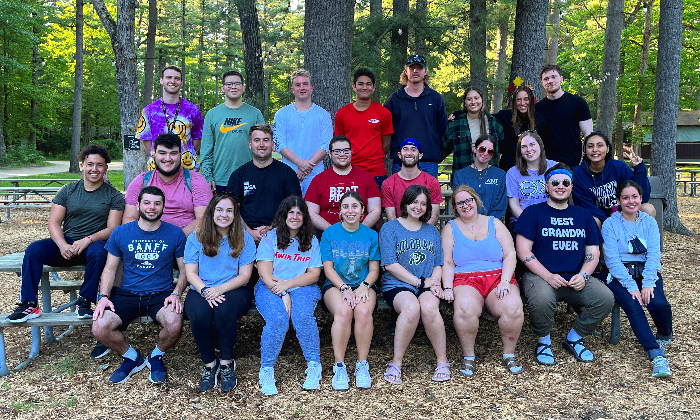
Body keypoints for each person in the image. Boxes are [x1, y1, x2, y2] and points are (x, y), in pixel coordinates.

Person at [6, 145, 125, 322]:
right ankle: (29, 303)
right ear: (82, 165)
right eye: (90, 164)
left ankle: (85, 301)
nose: (94, 169)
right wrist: (62, 245)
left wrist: (87, 240)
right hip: (68, 243)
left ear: (106, 168)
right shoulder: (67, 190)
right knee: (34, 250)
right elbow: (54, 222)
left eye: (99, 165)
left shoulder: (114, 196)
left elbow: (113, 229)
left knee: (100, 252)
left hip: (94, 245)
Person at [515, 163, 614, 365]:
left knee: (605, 298)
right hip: (540, 276)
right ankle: (543, 340)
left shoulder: (584, 216)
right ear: (547, 187)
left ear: (571, 187)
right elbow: (523, 250)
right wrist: (548, 276)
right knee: (542, 299)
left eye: (566, 182)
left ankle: (574, 337)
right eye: (555, 182)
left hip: (574, 277)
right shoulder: (532, 213)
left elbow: (593, 252)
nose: (561, 186)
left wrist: (584, 275)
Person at [92, 186, 188, 384]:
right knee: (100, 327)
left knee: (174, 323)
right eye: (147, 202)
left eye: (157, 203)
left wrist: (177, 293)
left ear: (163, 207)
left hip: (161, 293)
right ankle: (131, 357)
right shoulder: (121, 233)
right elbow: (110, 269)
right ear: (138, 205)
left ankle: (156, 356)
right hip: (127, 293)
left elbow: (185, 269)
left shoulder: (175, 234)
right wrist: (103, 297)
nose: (151, 207)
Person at [441, 186, 523, 377]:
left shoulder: (494, 223)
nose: (465, 205)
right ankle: (469, 356)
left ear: (475, 200)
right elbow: (447, 261)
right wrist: (447, 287)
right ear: (454, 207)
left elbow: (510, 253)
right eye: (460, 203)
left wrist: (505, 281)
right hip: (466, 278)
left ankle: (509, 353)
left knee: (512, 306)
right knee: (465, 309)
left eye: (468, 200)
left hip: (497, 276)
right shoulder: (450, 228)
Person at [184, 193, 256, 392]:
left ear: (235, 214)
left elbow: (245, 276)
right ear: (211, 212)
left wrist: (219, 290)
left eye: (229, 210)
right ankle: (209, 364)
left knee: (223, 310)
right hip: (201, 287)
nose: (224, 214)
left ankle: (226, 362)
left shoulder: (244, 238)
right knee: (199, 314)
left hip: (234, 288)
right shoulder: (196, 237)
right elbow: (190, 273)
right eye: (219, 209)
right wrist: (206, 290)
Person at [379, 185, 450, 384]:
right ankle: (396, 363)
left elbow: (438, 263)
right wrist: (420, 282)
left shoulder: (432, 231)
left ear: (427, 208)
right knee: (411, 308)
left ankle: (442, 362)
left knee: (429, 307)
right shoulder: (390, 227)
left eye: (423, 203)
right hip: (397, 283)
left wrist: (435, 283)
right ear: (405, 203)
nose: (417, 207)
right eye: (414, 201)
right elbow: (390, 264)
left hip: (427, 282)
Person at [602, 180, 672, 378]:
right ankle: (656, 355)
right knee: (634, 306)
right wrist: (632, 286)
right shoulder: (610, 224)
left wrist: (648, 283)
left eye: (634, 197)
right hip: (619, 274)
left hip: (645, 271)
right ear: (618, 201)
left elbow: (653, 254)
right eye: (625, 197)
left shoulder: (649, 222)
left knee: (659, 304)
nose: (630, 201)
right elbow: (612, 260)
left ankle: (665, 333)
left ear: (641, 199)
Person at [255, 197, 323, 396]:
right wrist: (283, 292)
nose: (294, 217)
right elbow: (265, 273)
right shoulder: (270, 238)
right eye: (290, 212)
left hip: (303, 286)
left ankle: (314, 365)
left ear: (304, 217)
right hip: (270, 287)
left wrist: (289, 285)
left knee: (302, 317)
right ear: (283, 215)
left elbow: (314, 274)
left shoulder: (311, 239)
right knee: (278, 320)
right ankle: (266, 369)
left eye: (299, 213)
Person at [321, 191, 380, 391]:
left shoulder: (371, 235)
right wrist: (344, 288)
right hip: (337, 284)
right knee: (344, 311)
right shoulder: (330, 233)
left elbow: (374, 270)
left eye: (355, 206)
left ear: (363, 211)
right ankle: (340, 366)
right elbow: (328, 269)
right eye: (345, 206)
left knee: (363, 311)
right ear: (339, 212)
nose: (350, 210)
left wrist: (364, 286)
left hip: (364, 284)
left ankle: (362, 365)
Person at [124, 133, 213, 236]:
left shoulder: (196, 181)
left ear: (180, 155)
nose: (168, 158)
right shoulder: (141, 181)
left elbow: (204, 219)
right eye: (162, 153)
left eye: (173, 153)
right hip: (148, 242)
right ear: (154, 155)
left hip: (186, 242)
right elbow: (129, 218)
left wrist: (173, 241)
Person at [227, 124, 302, 244]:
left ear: (272, 145)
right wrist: (249, 232)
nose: (261, 144)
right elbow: (231, 208)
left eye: (266, 140)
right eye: (257, 140)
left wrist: (272, 229)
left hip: (281, 234)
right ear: (250, 144)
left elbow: (295, 208)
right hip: (245, 236)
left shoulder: (288, 174)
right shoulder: (238, 175)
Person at [200, 70, 265, 192]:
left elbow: (262, 147)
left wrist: (262, 173)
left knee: (248, 211)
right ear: (223, 88)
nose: (233, 87)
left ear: (243, 87)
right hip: (220, 179)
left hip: (250, 177)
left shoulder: (254, 113)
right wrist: (207, 176)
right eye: (229, 84)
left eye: (237, 83)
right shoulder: (212, 114)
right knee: (223, 211)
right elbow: (206, 148)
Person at [573, 132, 655, 229]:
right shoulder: (578, 174)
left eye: (600, 145)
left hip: (624, 212)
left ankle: (640, 243)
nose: (595, 150)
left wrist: (640, 169)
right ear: (585, 150)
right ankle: (596, 244)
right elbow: (586, 206)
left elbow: (641, 197)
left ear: (607, 149)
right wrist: (609, 221)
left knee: (648, 209)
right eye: (590, 146)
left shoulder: (620, 167)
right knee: (591, 220)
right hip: (598, 217)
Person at [384, 55, 447, 177]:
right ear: (406, 72)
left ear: (425, 72)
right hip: (401, 161)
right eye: (412, 68)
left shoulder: (436, 98)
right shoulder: (394, 99)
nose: (415, 71)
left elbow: (442, 129)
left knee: (427, 196)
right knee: (401, 196)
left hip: (428, 161)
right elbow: (387, 131)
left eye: (419, 68)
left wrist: (434, 152)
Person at [305, 135, 382, 234]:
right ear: (330, 154)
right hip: (328, 232)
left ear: (351, 152)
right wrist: (333, 231)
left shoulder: (367, 178)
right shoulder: (318, 180)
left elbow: (375, 210)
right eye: (337, 151)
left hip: (361, 231)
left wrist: (358, 230)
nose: (342, 154)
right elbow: (311, 213)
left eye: (346, 151)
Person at [273, 69, 332, 194]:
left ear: (311, 87)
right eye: (298, 85)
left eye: (305, 84)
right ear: (292, 89)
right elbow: (279, 144)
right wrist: (300, 164)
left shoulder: (323, 115)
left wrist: (306, 167)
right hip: (288, 172)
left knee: (312, 211)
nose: (302, 88)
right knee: (290, 211)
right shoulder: (282, 114)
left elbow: (326, 144)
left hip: (315, 174)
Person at [137, 65, 204, 172]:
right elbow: (147, 144)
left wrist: (182, 152)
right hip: (158, 169)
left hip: (187, 169)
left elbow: (197, 141)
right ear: (161, 80)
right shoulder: (149, 110)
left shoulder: (193, 110)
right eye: (168, 77)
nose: (173, 81)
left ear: (181, 82)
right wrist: (163, 157)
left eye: (177, 78)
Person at [334, 68, 394, 188]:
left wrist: (373, 156)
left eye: (368, 84)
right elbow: (339, 144)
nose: (364, 87)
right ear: (354, 87)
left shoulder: (383, 113)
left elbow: (386, 143)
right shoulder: (342, 113)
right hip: (349, 170)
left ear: (374, 87)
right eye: (360, 84)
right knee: (350, 206)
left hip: (376, 171)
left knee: (376, 207)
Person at [535, 64, 593, 167]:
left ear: (561, 79)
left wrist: (583, 160)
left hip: (574, 163)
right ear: (542, 83)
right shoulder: (537, 109)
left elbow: (588, 134)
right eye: (546, 79)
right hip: (547, 165)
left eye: (554, 77)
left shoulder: (578, 103)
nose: (550, 81)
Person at [441, 86, 504, 175]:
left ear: (482, 100)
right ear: (465, 103)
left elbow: (504, 149)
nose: (473, 102)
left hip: (489, 176)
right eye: (469, 99)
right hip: (463, 176)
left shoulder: (494, 123)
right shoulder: (456, 124)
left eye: (476, 98)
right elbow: (442, 149)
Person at [382, 138, 442, 226]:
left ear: (420, 155)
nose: (409, 153)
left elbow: (434, 216)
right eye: (405, 149)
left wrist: (421, 233)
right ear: (399, 154)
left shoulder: (432, 182)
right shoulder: (388, 184)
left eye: (413, 150)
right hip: (399, 232)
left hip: (424, 232)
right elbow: (391, 218)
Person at [506, 131, 557, 231]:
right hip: (523, 220)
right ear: (520, 151)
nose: (529, 149)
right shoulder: (512, 173)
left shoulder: (555, 168)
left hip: (552, 220)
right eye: (524, 146)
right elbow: (514, 205)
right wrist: (531, 222)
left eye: (532, 144)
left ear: (540, 146)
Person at [451, 134, 507, 220]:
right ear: (475, 148)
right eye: (482, 149)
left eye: (490, 151)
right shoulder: (460, 175)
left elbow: (500, 205)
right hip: (466, 223)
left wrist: (486, 223)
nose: (485, 153)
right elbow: (458, 203)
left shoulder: (500, 175)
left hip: (492, 224)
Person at [493, 84, 548, 171]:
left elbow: (544, 146)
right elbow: (485, 118)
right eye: (519, 100)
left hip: (532, 170)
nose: (522, 103)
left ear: (531, 100)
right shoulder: (505, 116)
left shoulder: (539, 120)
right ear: (515, 102)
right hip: (509, 168)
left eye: (526, 99)